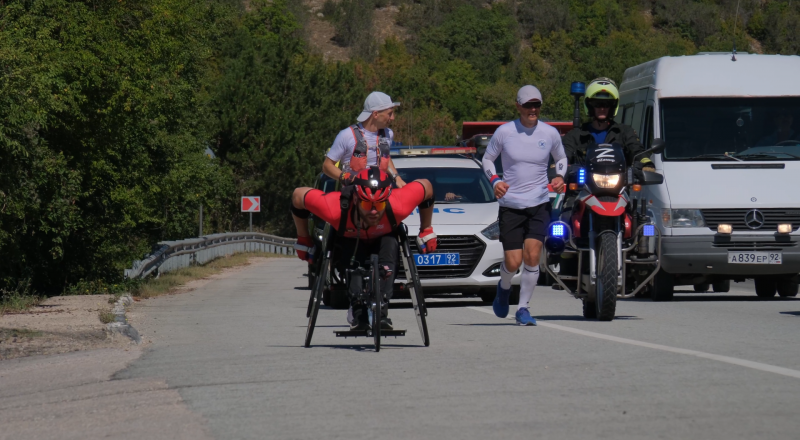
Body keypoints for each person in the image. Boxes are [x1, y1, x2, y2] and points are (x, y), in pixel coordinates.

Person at [291, 166, 437, 330]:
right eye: (367, 205)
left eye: (380, 206)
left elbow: (427, 187)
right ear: (355, 199)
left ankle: (381, 310)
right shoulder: (334, 208)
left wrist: (426, 229)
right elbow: (298, 196)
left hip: (384, 237)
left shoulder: (399, 204)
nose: (374, 211)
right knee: (351, 256)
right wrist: (303, 237)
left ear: (387, 200)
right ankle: (358, 308)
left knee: (391, 246)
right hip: (351, 237)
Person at [481, 85, 567, 326]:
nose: (533, 109)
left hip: (539, 202)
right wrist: (495, 180)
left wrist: (559, 177)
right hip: (511, 205)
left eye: (536, 105)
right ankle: (504, 287)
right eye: (528, 105)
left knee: (532, 256)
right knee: (513, 261)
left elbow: (561, 158)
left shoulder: (549, 133)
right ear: (518, 106)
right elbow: (487, 158)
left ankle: (523, 308)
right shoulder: (505, 132)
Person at [562, 77, 653, 169]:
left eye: (607, 104)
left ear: (613, 106)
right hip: (584, 182)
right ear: (589, 106)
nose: (602, 108)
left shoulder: (625, 132)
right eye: (597, 104)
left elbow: (637, 150)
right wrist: (557, 169)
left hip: (619, 182)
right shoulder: (575, 136)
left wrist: (646, 163)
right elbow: (563, 156)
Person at [324, 91, 407, 188]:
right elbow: (327, 166)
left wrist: (397, 178)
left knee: (424, 185)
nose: (393, 118)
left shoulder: (388, 134)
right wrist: (349, 178)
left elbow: (385, 157)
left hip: (381, 195)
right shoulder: (346, 135)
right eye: (389, 113)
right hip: (354, 196)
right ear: (375, 114)